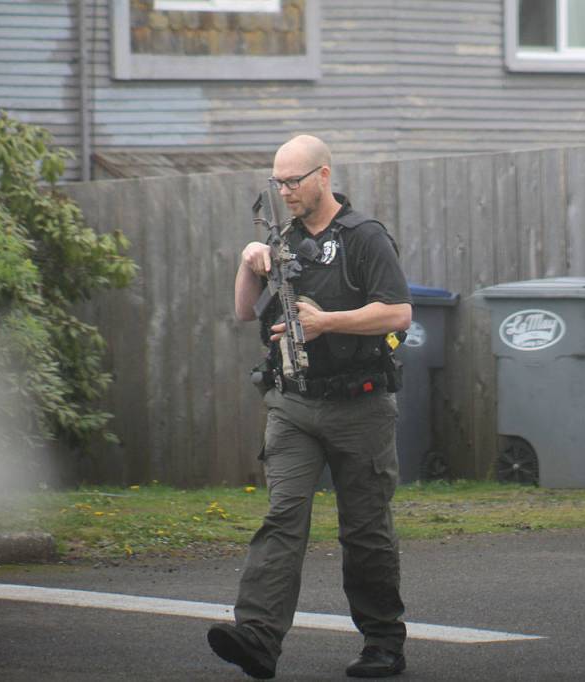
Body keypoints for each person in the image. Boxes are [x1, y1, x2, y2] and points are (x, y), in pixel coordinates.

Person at [208, 134, 412, 679]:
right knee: (282, 517)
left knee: (365, 530)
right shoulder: (286, 240)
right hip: (293, 404)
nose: (285, 192)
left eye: (293, 181)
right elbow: (244, 312)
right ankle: (257, 637)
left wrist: (328, 322)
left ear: (323, 176)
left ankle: (383, 643)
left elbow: (398, 314)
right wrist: (249, 263)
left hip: (360, 407)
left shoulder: (364, 237)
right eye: (277, 183)